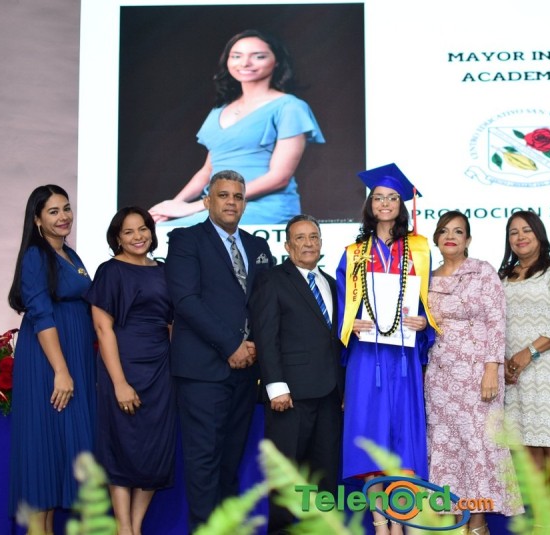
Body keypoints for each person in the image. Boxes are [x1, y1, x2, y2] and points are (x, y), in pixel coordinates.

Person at [165, 170, 272, 529]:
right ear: (208, 200)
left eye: (237, 196)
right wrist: (231, 345)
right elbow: (186, 300)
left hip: (246, 371)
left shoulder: (258, 247)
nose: (231, 202)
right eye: (223, 195)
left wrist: (255, 347)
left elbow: (265, 305)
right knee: (203, 464)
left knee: (230, 463)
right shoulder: (186, 240)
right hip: (203, 371)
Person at [337, 163, 439, 534]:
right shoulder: (354, 253)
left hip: (404, 358)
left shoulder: (419, 249)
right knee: (371, 436)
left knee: (402, 439)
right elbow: (342, 305)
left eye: (392, 198)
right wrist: (350, 324)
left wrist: (424, 322)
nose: (385, 203)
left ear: (401, 205)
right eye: (378, 197)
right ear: (370, 204)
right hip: (366, 358)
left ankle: (402, 520)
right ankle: (381, 523)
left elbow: (427, 301)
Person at [149, 29, 325, 226]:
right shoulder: (220, 110)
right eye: (236, 56)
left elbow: (279, 177)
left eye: (258, 56)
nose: (245, 63)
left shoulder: (290, 107)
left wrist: (196, 206)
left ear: (277, 61)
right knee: (152, 229)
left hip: (262, 208)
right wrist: (173, 207)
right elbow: (207, 170)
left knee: (173, 234)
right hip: (216, 208)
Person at [425, 211, 523, 535]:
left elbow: (497, 321)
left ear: (468, 239)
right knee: (447, 450)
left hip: (478, 376)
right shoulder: (426, 278)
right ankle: (455, 523)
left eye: (458, 231)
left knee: (478, 448)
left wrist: (492, 368)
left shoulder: (482, 271)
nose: (450, 237)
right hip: (440, 378)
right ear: (436, 239)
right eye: (444, 231)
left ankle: (478, 525)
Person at [7, 185, 96, 534]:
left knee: (63, 452)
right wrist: (61, 370)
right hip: (48, 362)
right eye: (54, 211)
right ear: (37, 219)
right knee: (42, 450)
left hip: (74, 360)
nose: (64, 217)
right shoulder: (35, 255)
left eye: (66, 208)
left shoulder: (70, 255)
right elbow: (41, 316)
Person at [250, 214, 343, 535]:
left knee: (326, 474)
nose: (308, 243)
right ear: (288, 246)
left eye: (313, 237)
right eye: (300, 238)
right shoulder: (272, 279)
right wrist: (276, 387)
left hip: (330, 395)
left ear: (321, 242)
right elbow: (266, 336)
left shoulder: (331, 283)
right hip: (289, 396)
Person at [85, 207, 175, 535]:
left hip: (160, 371)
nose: (138, 236)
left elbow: (171, 323)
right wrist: (120, 383)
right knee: (122, 447)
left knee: (155, 449)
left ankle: (136, 527)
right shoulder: (110, 271)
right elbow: (102, 328)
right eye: (128, 231)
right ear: (118, 238)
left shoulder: (164, 270)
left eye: (143, 229)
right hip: (123, 366)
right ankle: (123, 527)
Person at [500, 210, 550, 504]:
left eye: (526, 230)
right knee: (527, 445)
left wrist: (528, 353)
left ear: (539, 234)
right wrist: (504, 362)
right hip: (515, 375)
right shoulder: (503, 276)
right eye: (514, 232)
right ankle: (539, 516)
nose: (520, 237)